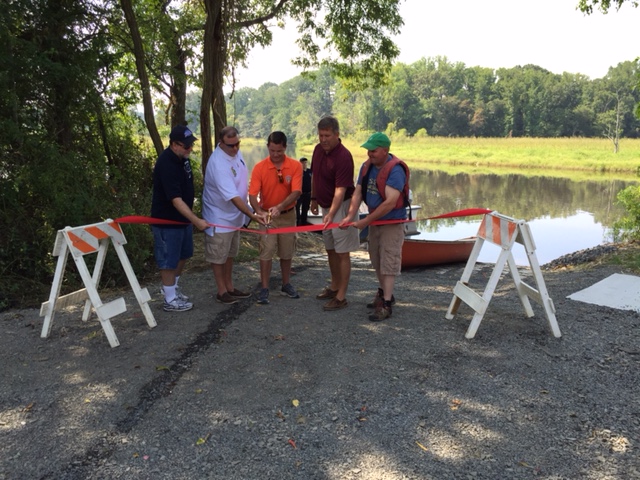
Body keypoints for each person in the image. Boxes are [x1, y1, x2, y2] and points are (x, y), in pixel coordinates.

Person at [340, 132, 409, 321]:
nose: (369, 154)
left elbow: (390, 202)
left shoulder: (395, 170)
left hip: (391, 223)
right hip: (375, 222)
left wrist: (365, 221)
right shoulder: (366, 167)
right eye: (368, 150)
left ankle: (386, 304)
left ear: (385, 150)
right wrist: (350, 215)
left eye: (373, 151)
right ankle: (384, 293)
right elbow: (358, 192)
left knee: (388, 262)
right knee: (376, 259)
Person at [202, 126, 267, 305]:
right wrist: (251, 214)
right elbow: (232, 197)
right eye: (231, 146)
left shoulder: (236, 154)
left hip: (235, 217)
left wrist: (253, 205)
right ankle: (221, 291)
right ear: (221, 143)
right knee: (218, 255)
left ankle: (230, 286)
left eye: (238, 144)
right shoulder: (218, 163)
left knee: (230, 253)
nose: (236, 148)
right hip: (219, 217)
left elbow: (243, 181)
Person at [151, 124, 209, 312]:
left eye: (191, 145)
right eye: (186, 146)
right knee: (168, 259)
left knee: (184, 255)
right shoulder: (166, 163)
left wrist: (191, 218)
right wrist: (196, 220)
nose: (189, 149)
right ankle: (169, 299)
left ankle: (172, 289)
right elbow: (175, 199)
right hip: (167, 221)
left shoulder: (183, 160)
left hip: (182, 220)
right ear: (174, 144)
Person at [310, 116, 360, 311]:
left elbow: (341, 189)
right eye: (321, 135)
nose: (323, 139)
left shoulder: (344, 156)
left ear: (337, 135)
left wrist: (332, 213)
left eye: (327, 135)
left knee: (342, 252)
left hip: (342, 208)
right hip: (325, 206)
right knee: (330, 248)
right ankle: (334, 286)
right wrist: (313, 198)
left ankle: (341, 296)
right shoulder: (317, 150)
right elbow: (315, 175)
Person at [249, 132, 303, 305]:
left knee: (287, 252)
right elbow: (252, 194)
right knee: (266, 250)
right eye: (272, 150)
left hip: (287, 215)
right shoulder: (260, 167)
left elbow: (296, 191)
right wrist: (259, 211)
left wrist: (280, 207)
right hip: (267, 217)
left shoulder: (295, 166)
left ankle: (286, 284)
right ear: (268, 147)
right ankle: (264, 288)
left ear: (285, 148)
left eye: (279, 151)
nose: (275, 154)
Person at [296, 157, 312, 226]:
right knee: (297, 208)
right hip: (299, 193)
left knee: (305, 208)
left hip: (308, 193)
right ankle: (297, 222)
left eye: (305, 162)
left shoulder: (310, 172)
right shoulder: (298, 172)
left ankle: (304, 223)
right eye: (302, 163)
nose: (304, 164)